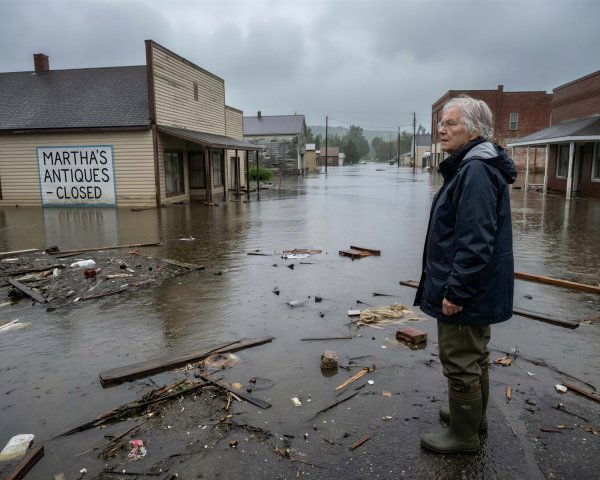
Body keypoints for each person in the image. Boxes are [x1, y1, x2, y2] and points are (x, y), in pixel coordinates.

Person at [414, 95, 517, 454]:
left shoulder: (474, 171)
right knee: (476, 355)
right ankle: (474, 419)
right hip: (481, 288)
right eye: (441, 122)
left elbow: (475, 242)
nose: (441, 129)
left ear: (473, 130)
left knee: (459, 360)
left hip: (468, 290)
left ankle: (464, 436)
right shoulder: (475, 165)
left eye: (450, 123)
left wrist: (456, 292)